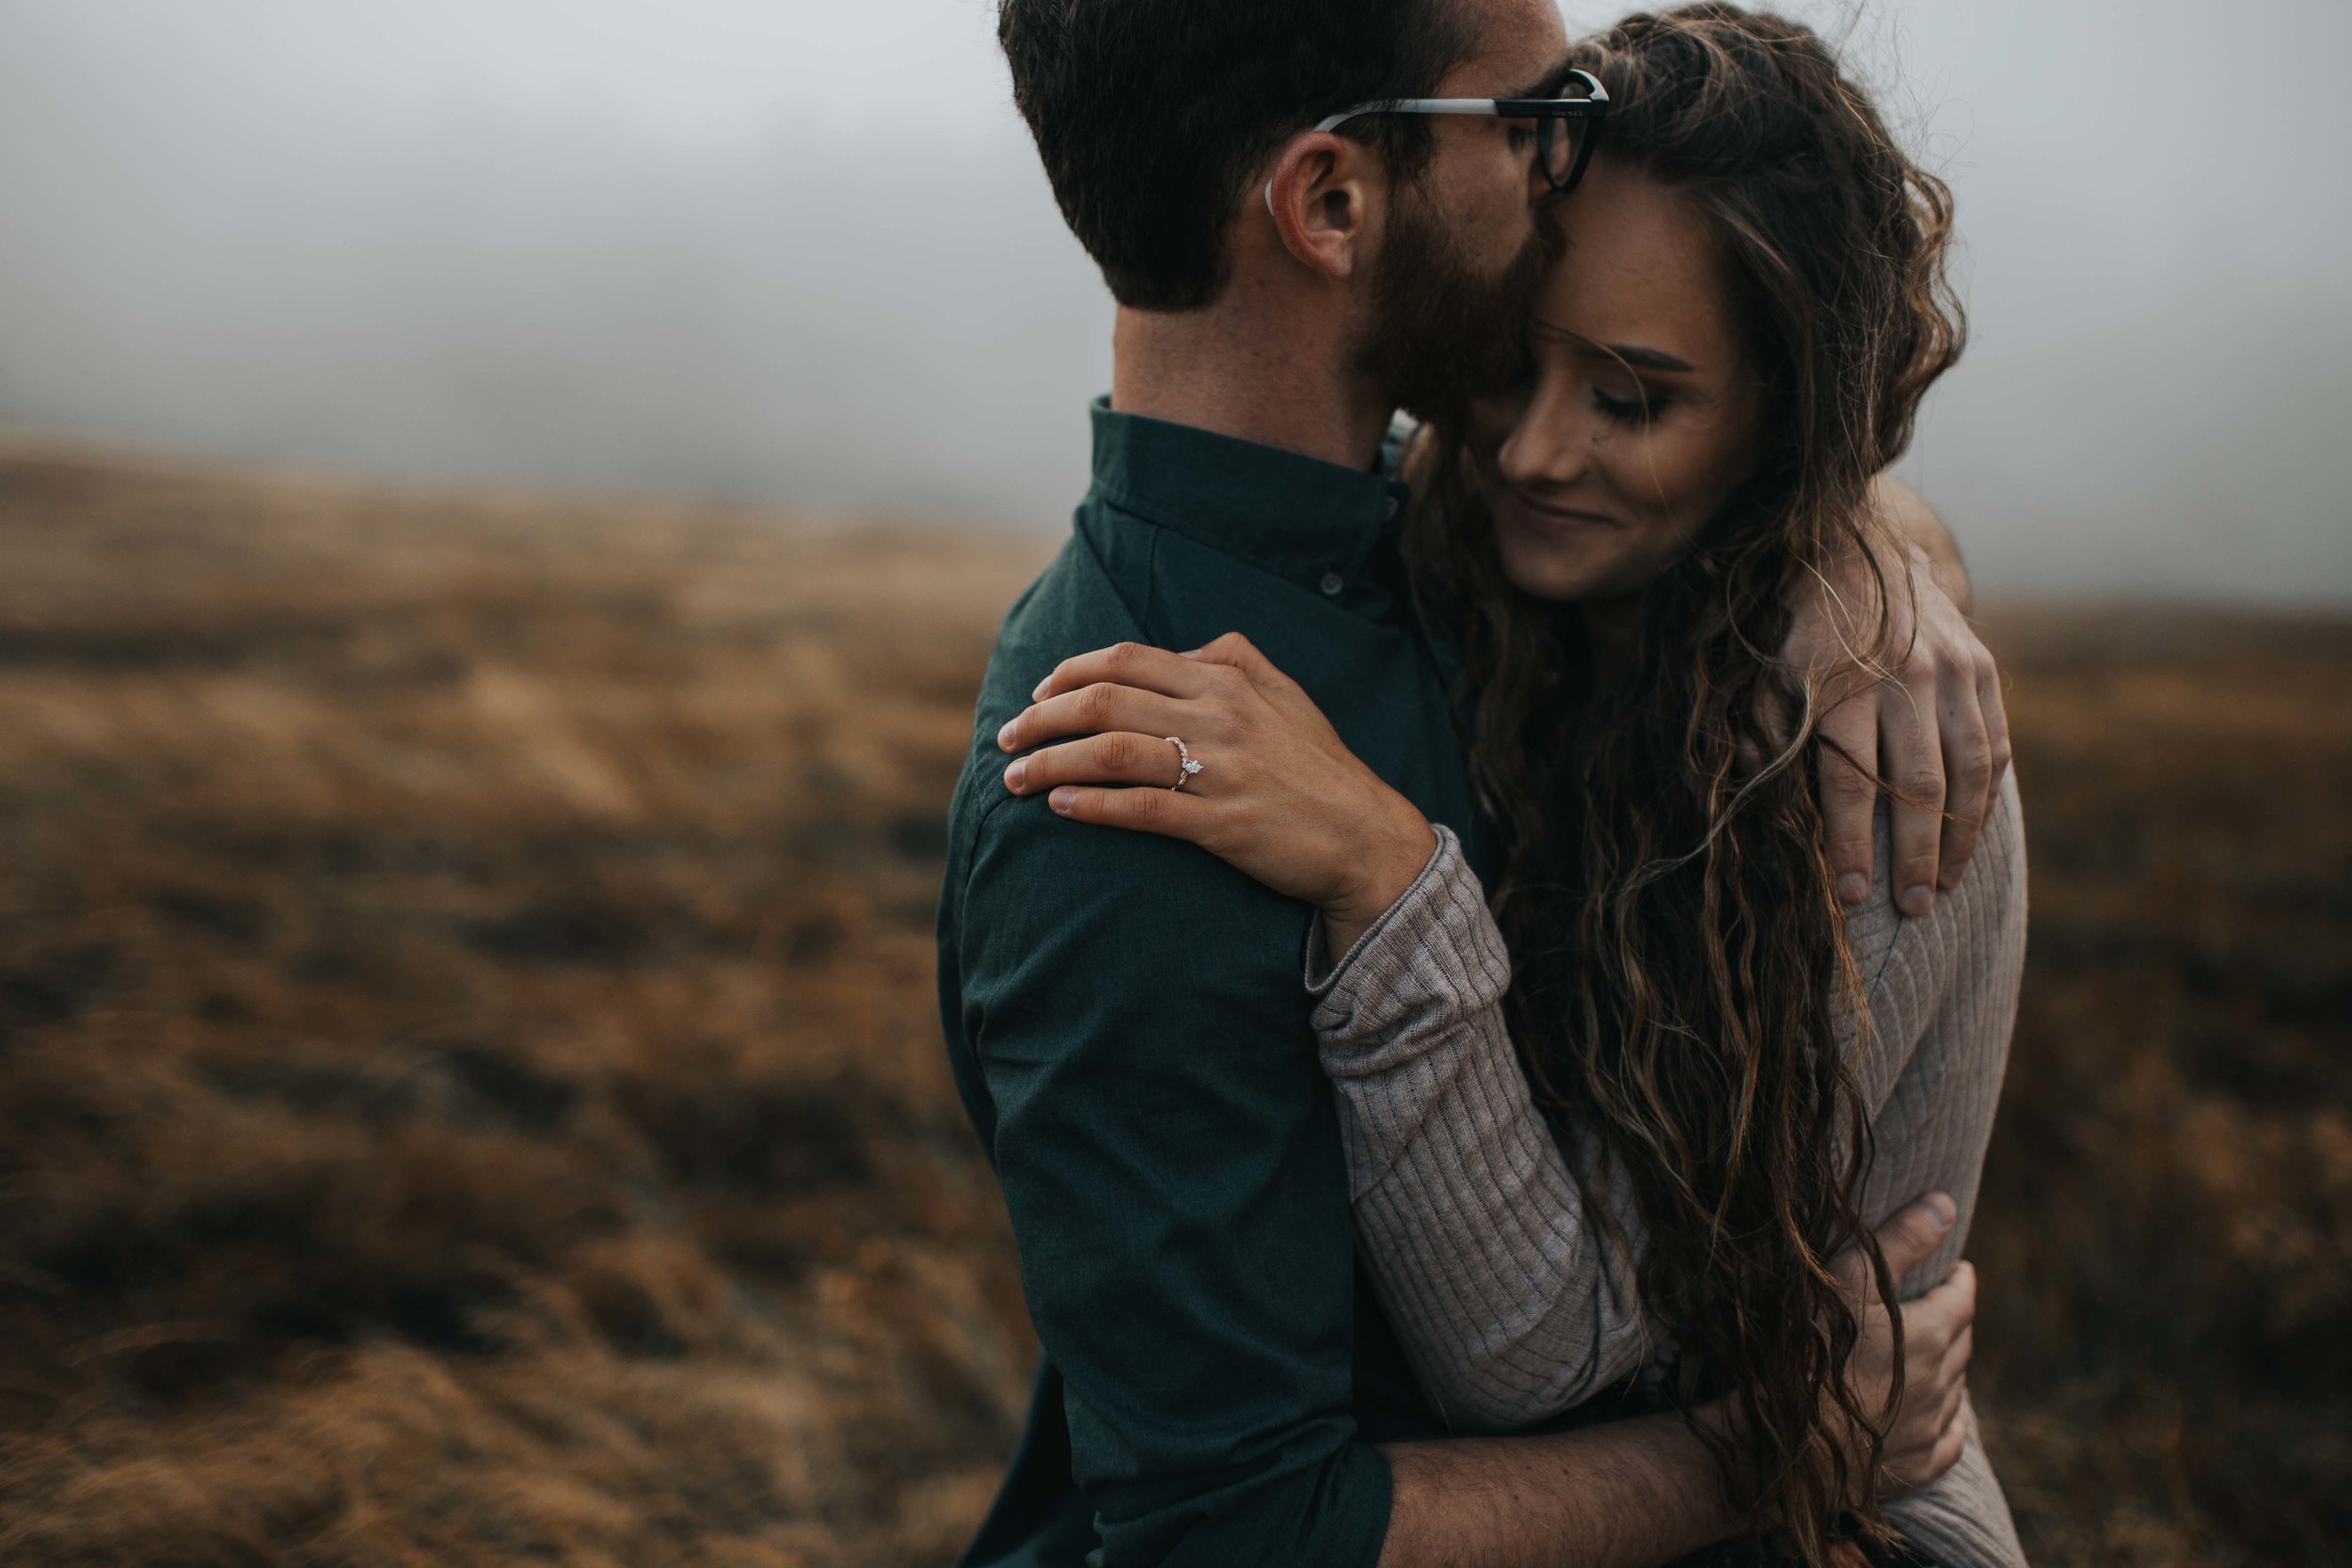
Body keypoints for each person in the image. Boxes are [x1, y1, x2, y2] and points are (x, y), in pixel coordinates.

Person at [943, 0, 2003, 1562]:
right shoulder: (1127, 783)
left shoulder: (1444, 538)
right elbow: (1232, 1536)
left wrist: (1859, 550)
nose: (1560, 154)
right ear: (1333, 202)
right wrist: (1778, 1452)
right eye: (1525, 117)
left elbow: (1718, 412)